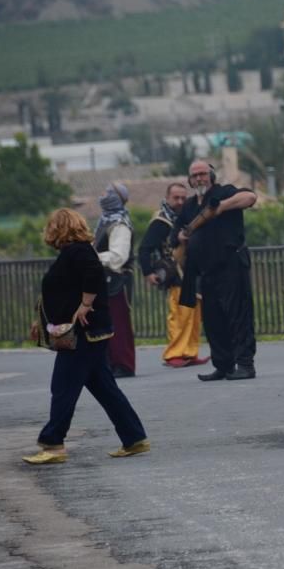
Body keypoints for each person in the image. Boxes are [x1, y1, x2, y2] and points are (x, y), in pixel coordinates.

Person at [23, 208, 149, 465]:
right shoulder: (73, 253)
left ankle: (53, 443)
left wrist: (85, 305)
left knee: (63, 387)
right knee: (105, 389)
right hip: (87, 334)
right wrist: (41, 319)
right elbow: (61, 292)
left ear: (59, 228)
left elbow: (93, 275)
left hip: (83, 334)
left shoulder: (78, 251)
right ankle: (134, 438)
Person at [174, 160, 258, 381]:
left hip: (231, 265)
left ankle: (245, 365)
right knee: (213, 321)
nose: (199, 178)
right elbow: (177, 233)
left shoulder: (224, 192)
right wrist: (181, 236)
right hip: (206, 271)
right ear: (190, 180)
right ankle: (223, 365)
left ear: (210, 175)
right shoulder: (190, 206)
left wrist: (220, 206)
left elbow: (250, 197)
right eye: (195, 175)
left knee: (238, 316)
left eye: (203, 174)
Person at [138, 182, 209, 368]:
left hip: (193, 271)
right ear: (167, 198)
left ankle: (190, 352)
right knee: (180, 314)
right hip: (175, 272)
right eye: (176, 198)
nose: (180, 201)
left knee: (194, 315)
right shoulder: (161, 221)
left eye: (183, 198)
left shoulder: (188, 217)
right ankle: (174, 353)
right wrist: (148, 272)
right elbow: (145, 248)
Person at [94, 183, 136, 378]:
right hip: (106, 280)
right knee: (107, 322)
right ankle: (110, 362)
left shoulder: (119, 223)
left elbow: (119, 256)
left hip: (117, 280)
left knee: (118, 323)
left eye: (106, 193)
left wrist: (93, 257)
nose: (102, 196)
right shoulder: (104, 221)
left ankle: (123, 363)